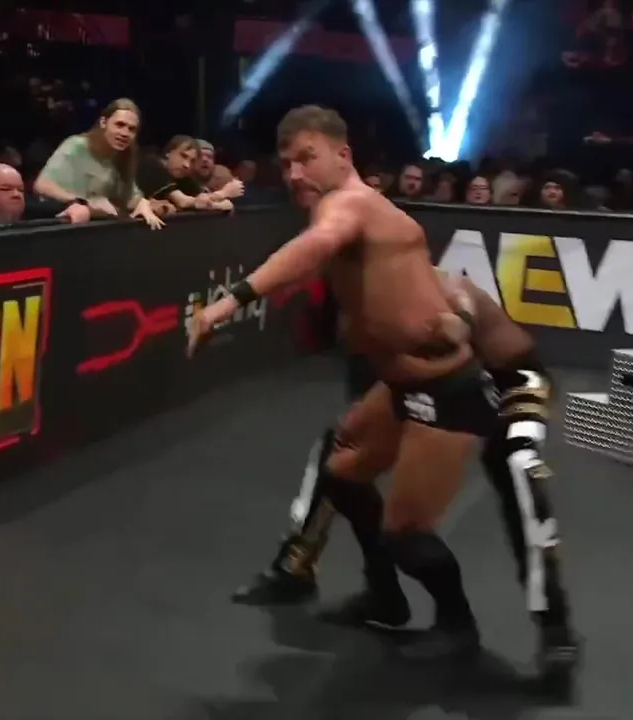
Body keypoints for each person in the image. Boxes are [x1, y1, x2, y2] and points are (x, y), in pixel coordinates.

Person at [188, 105, 500, 660]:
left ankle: (459, 626)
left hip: (447, 385)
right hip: (402, 382)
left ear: (343, 155)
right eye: (287, 164)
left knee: (405, 530)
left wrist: (225, 305)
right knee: (343, 472)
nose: (295, 174)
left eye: (307, 158)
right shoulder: (367, 210)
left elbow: (314, 247)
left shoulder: (347, 204)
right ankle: (384, 595)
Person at [233, 273, 581, 684]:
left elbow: (460, 302)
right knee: (342, 447)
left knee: (516, 462)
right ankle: (360, 586)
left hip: (511, 381)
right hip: (434, 384)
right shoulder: (361, 305)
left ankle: (555, 628)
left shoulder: (425, 282)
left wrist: (459, 324)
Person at [32, 98, 165, 229]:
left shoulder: (123, 157)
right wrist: (81, 201)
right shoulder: (76, 145)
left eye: (131, 129)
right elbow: (42, 185)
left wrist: (143, 204)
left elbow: (130, 196)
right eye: (119, 125)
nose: (125, 133)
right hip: (59, 222)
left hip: (95, 227)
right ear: (103, 122)